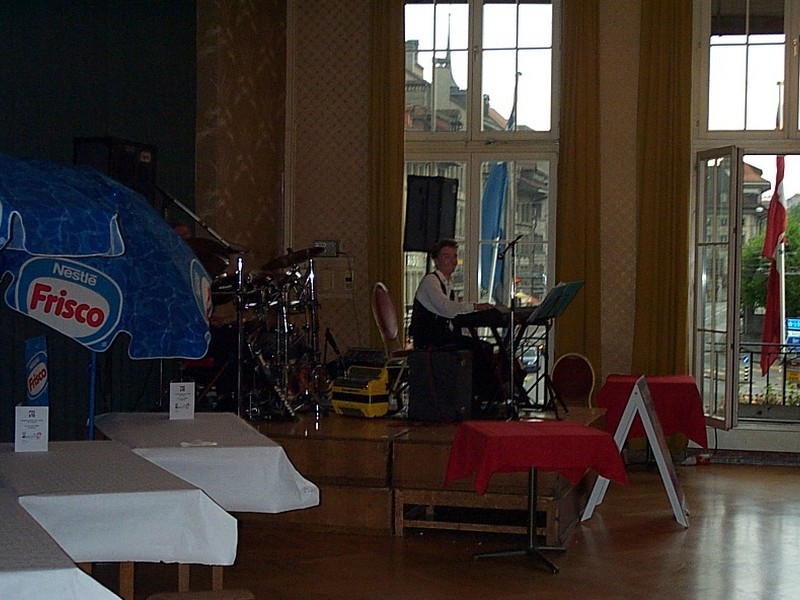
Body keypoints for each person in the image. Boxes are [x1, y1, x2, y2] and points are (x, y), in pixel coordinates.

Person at [408, 239, 498, 413]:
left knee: (483, 347)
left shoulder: (448, 285)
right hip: (429, 339)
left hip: (442, 336)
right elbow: (447, 309)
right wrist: (475, 307)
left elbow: (456, 317)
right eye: (446, 256)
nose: (452, 261)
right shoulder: (430, 282)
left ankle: (482, 397)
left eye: (454, 256)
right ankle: (481, 397)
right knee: (478, 348)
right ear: (436, 260)